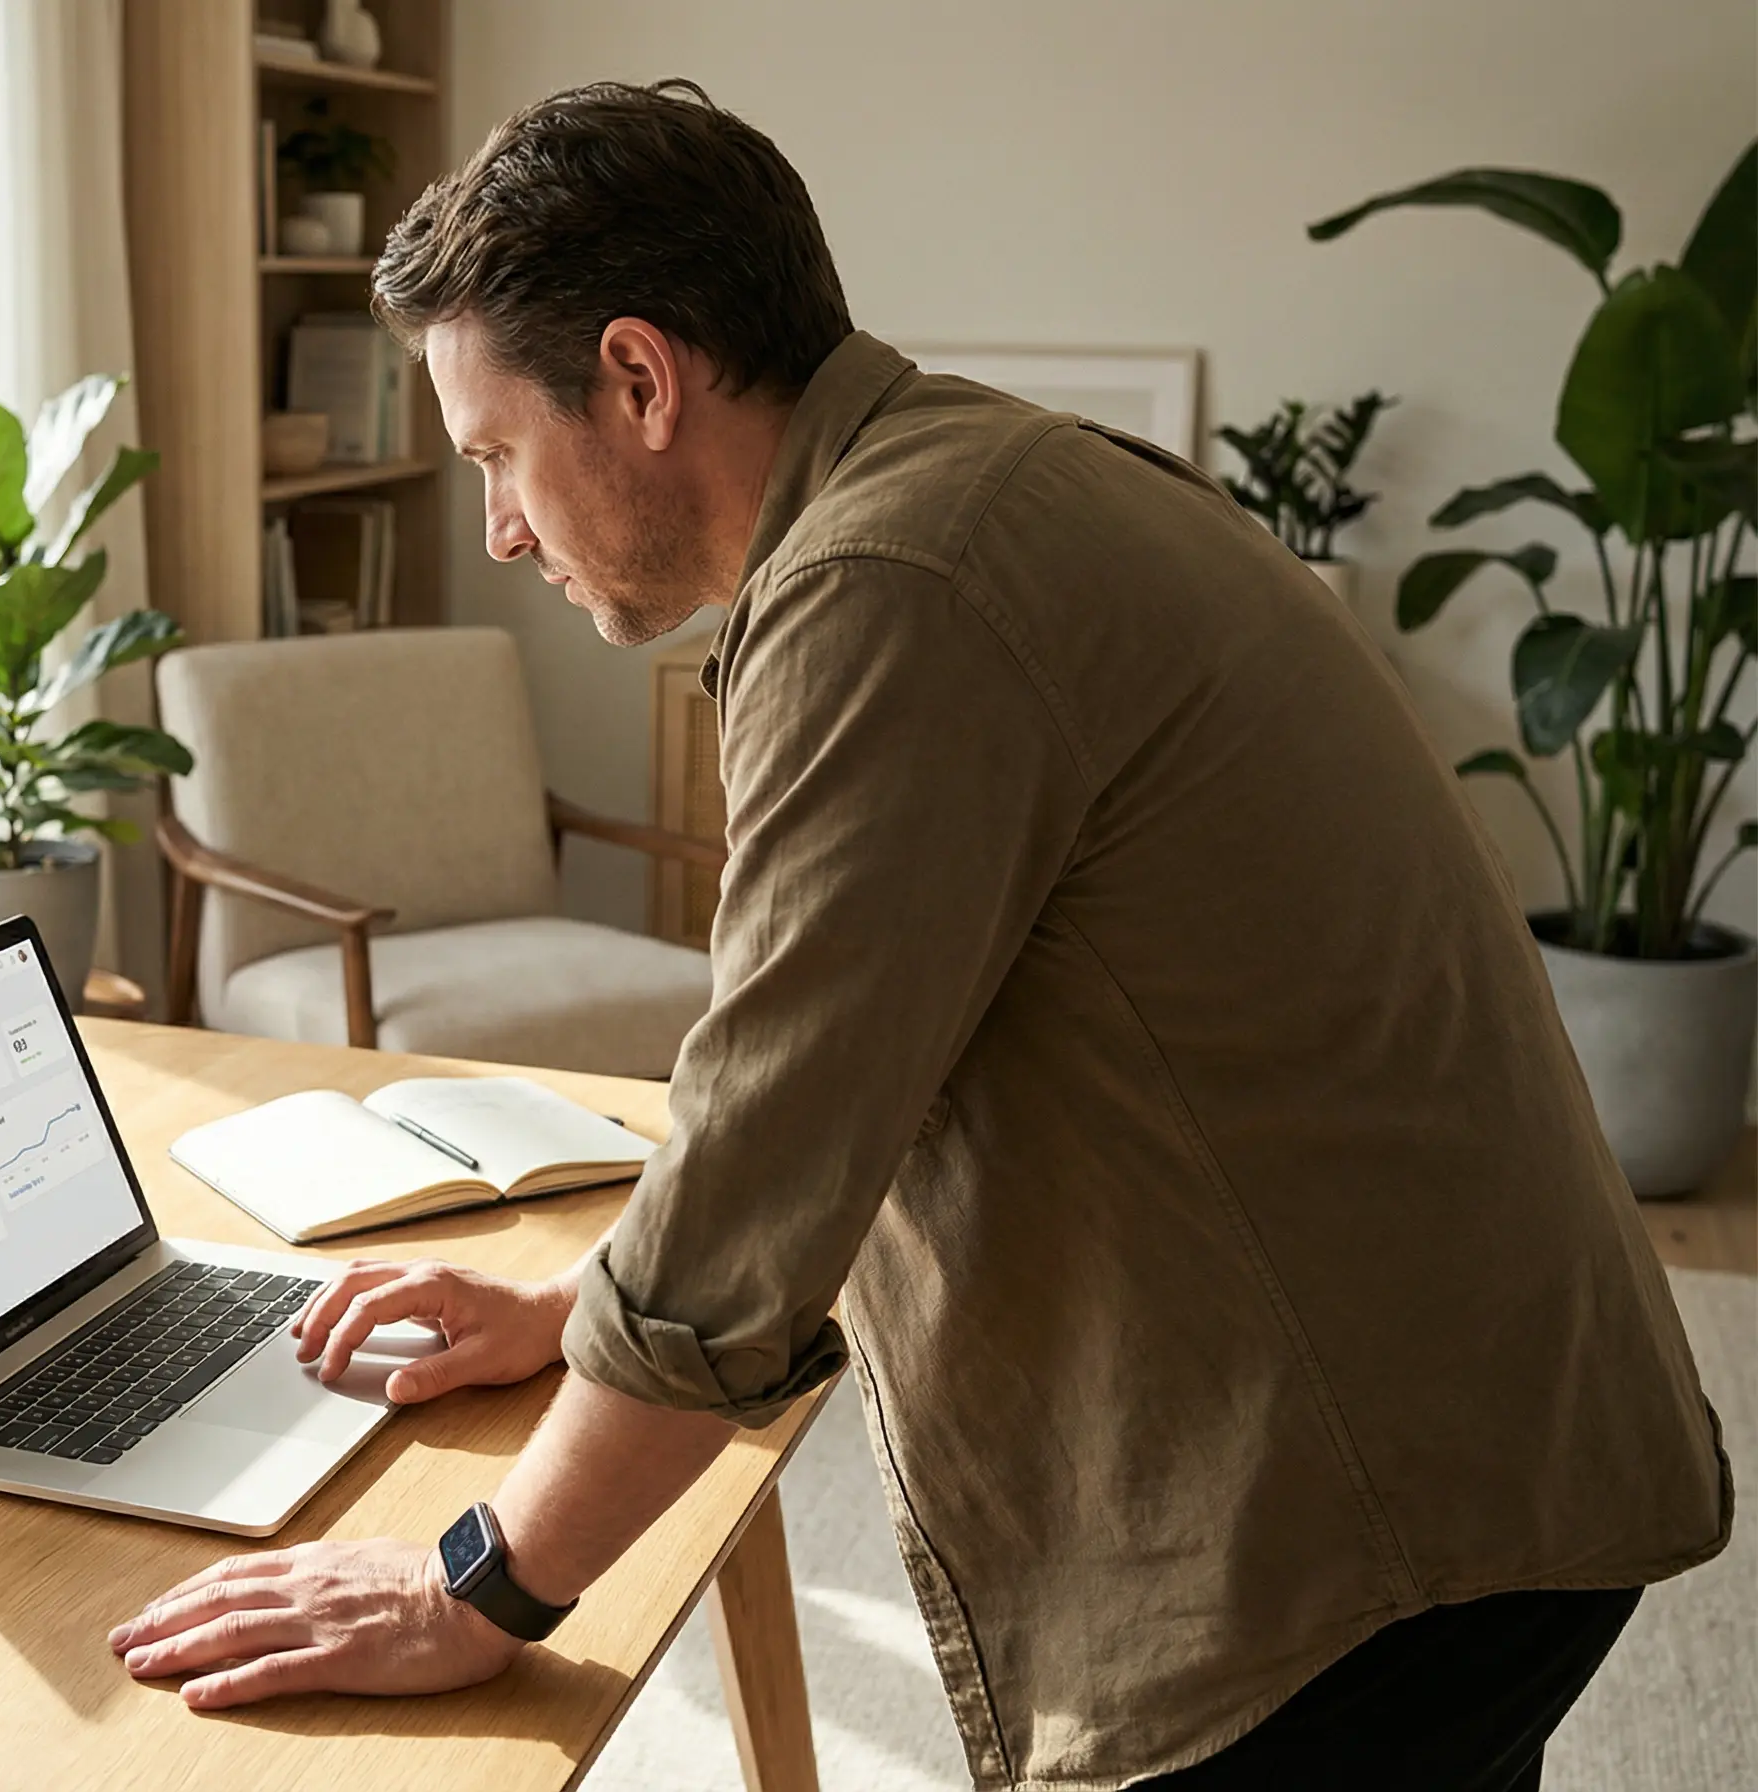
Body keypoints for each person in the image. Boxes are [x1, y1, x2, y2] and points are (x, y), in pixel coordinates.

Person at [107, 80, 1731, 1789]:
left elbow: (765, 1148)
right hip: (1481, 1434)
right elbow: (865, 1087)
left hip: (1365, 1534)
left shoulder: (892, 588)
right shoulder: (978, 482)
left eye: (501, 454)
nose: (502, 527)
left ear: (641, 379)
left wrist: (478, 1587)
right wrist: (571, 1305)